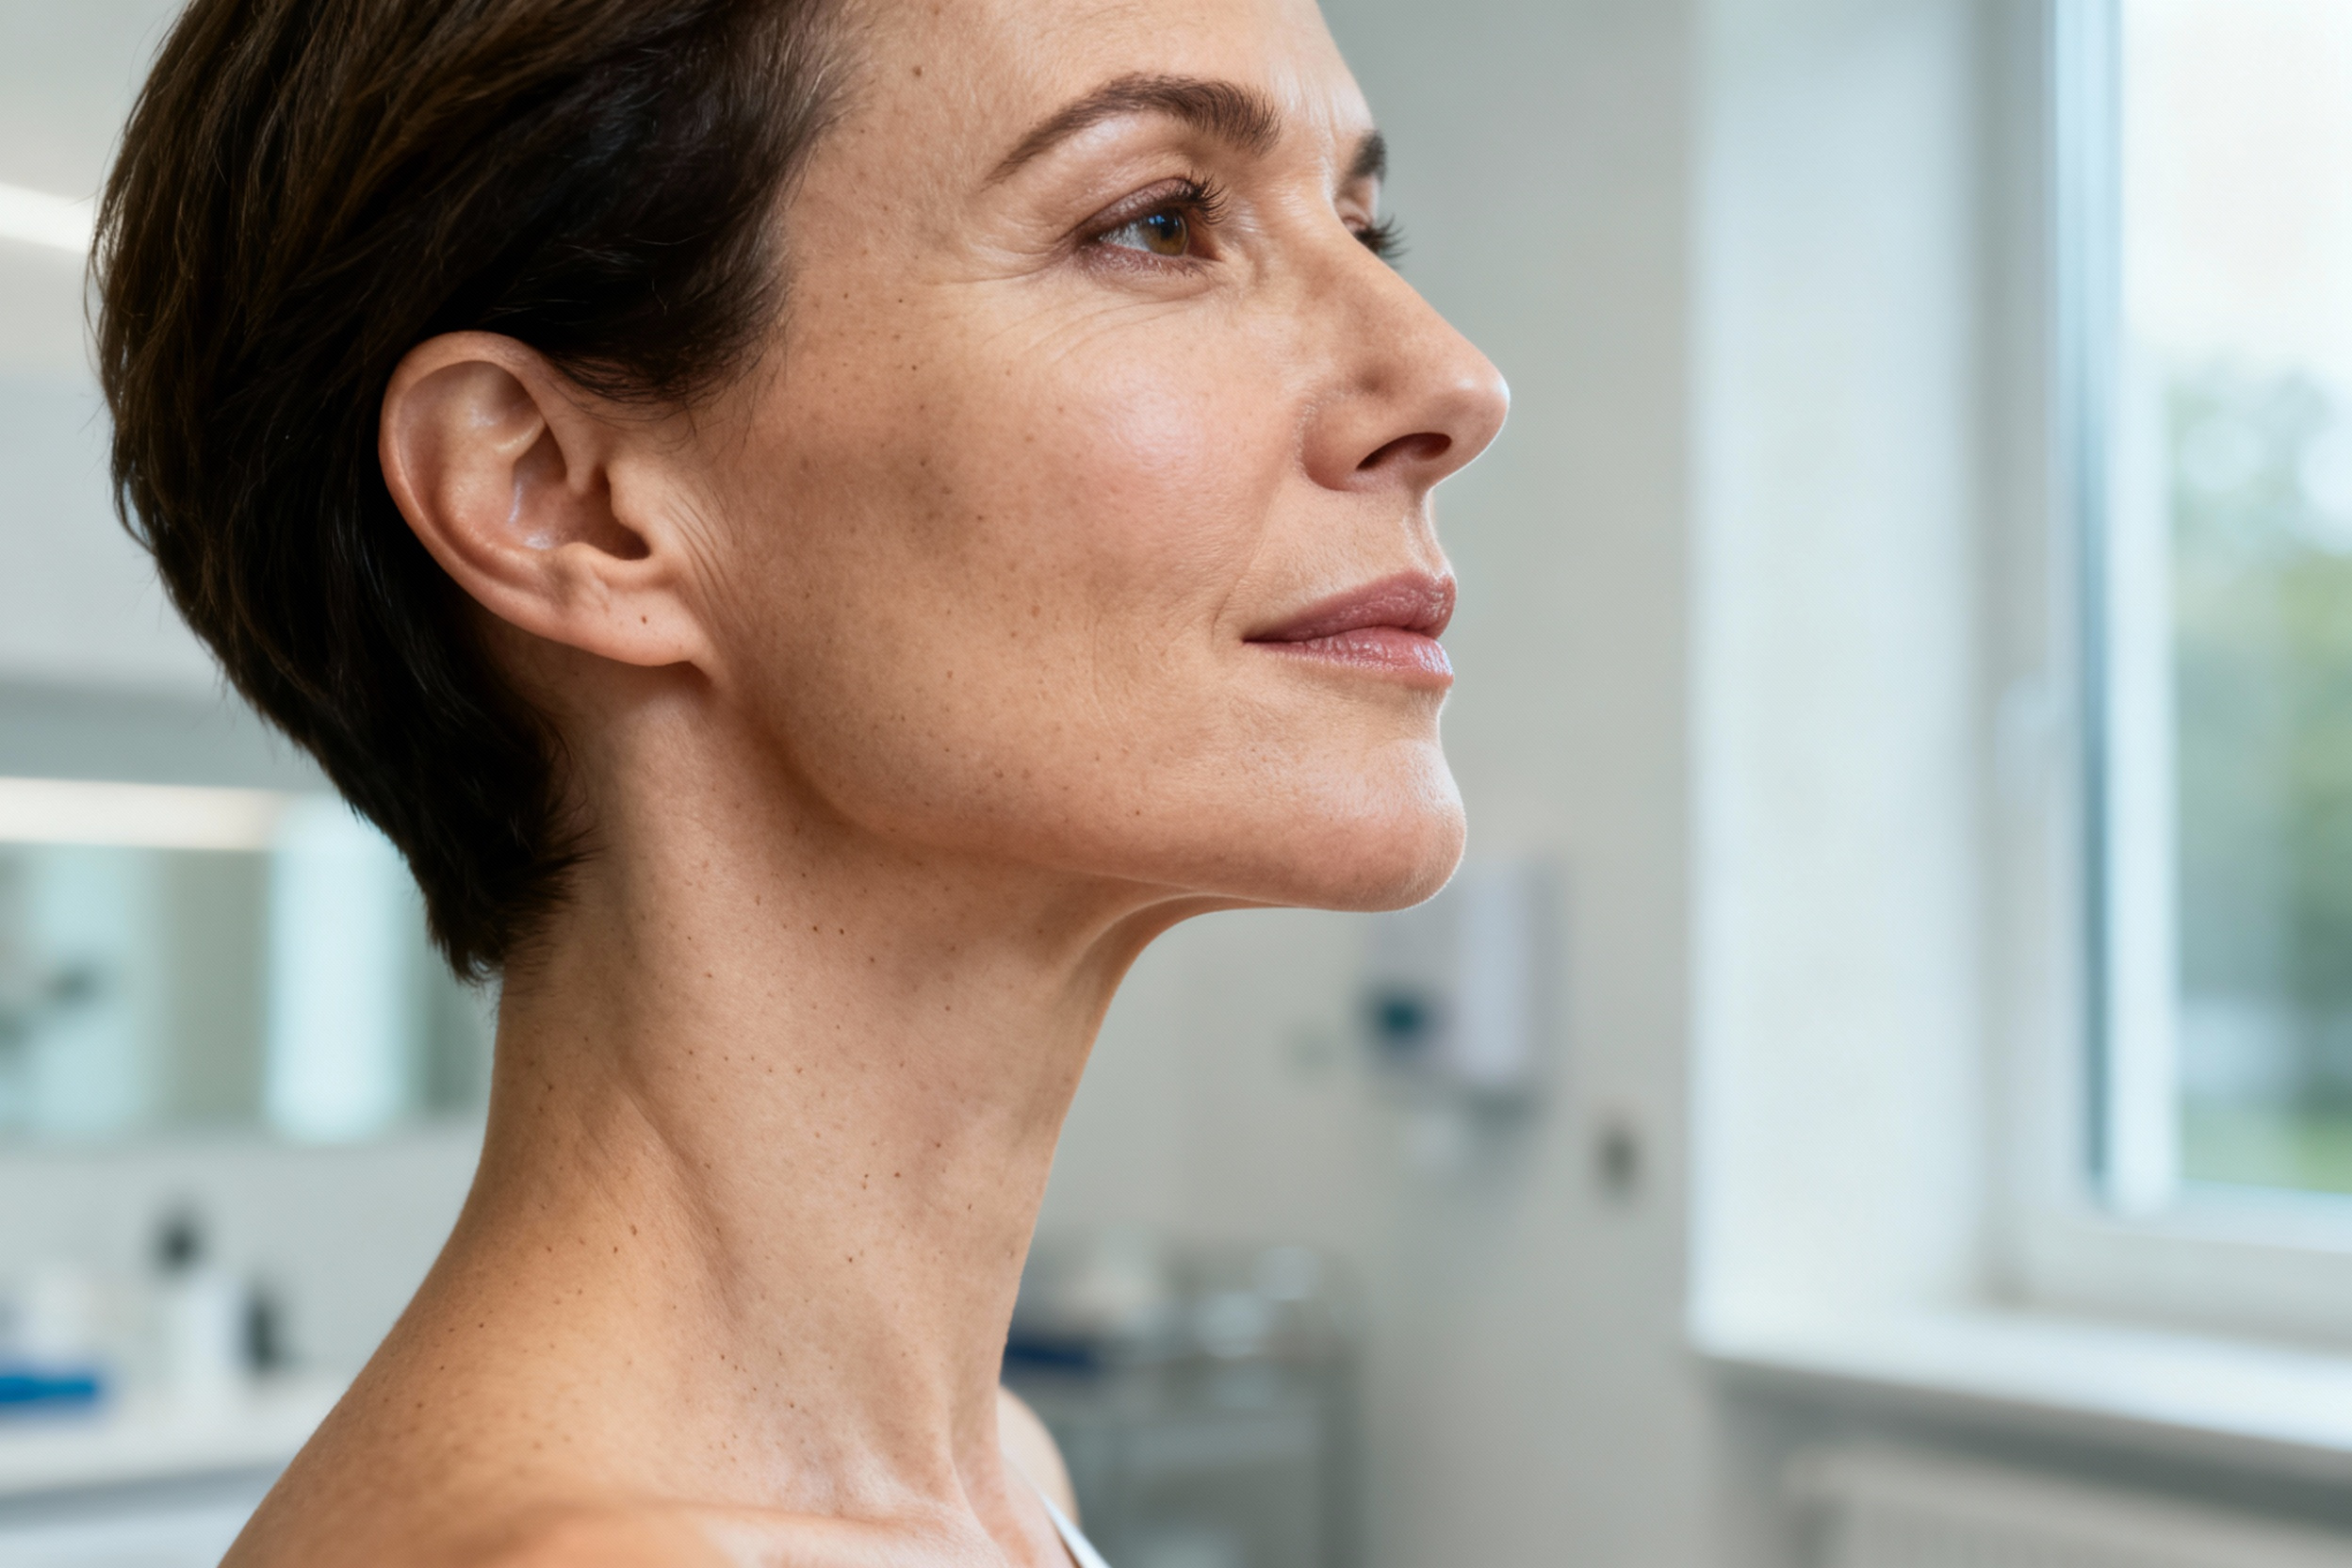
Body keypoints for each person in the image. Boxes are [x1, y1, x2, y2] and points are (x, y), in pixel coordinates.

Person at [97, 0, 1506, 1560]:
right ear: (561, 499)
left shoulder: (991, 1486)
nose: (1451, 380)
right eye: (1157, 222)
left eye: (1370, 228)